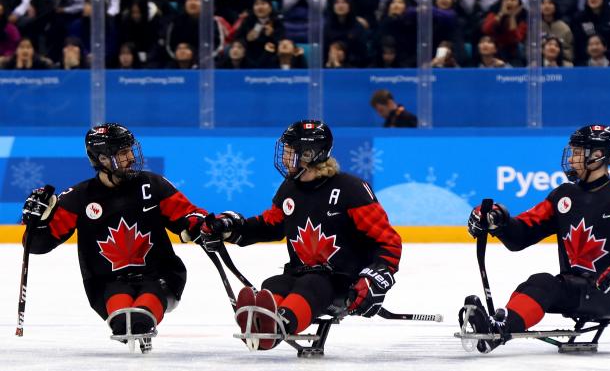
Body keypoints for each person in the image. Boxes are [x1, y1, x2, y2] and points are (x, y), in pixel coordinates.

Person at [463, 125, 610, 353]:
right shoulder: (563, 196)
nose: (571, 159)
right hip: (575, 289)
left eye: (578, 152)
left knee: (543, 283)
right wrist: (497, 220)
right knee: (536, 285)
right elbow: (520, 235)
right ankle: (500, 327)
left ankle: (499, 329)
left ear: (598, 155)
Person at [201, 120, 402, 350]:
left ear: (310, 154)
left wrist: (374, 278)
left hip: (341, 281)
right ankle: (263, 321)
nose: (285, 159)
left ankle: (280, 323)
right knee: (274, 283)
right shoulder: (289, 189)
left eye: (290, 152)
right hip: (300, 273)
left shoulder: (351, 189)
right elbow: (270, 225)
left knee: (312, 285)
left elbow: (388, 241)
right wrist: (230, 227)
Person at [21, 123, 207, 352]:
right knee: (123, 322)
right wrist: (37, 224)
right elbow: (38, 245)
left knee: (142, 318)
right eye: (122, 153)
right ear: (102, 159)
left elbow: (188, 214)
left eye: (130, 150)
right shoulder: (78, 197)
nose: (130, 157)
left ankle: (145, 315)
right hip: (106, 283)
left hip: (161, 276)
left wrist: (201, 225)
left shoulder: (151, 184)